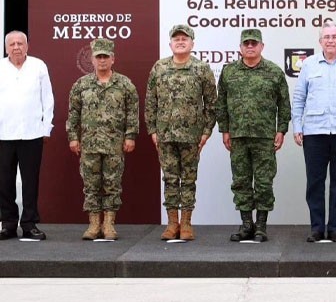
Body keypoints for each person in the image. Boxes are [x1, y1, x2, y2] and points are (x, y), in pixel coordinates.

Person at [292, 21, 336, 243]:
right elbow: (299, 98)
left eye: (335, 36)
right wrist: (297, 126)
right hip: (314, 132)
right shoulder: (309, 65)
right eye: (327, 37)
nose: (331, 40)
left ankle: (334, 228)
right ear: (320, 41)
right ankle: (316, 228)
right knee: (315, 182)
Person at [145, 24, 217, 241]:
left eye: (185, 38)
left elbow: (211, 104)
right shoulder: (159, 67)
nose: (180, 41)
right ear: (170, 43)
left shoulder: (201, 68)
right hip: (165, 135)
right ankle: (172, 223)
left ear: (192, 43)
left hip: (192, 136)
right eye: (176, 39)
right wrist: (152, 130)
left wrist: (206, 131)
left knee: (188, 180)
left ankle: (186, 223)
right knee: (169, 179)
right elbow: (151, 101)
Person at [217, 28, 290, 243]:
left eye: (254, 43)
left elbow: (284, 104)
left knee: (264, 182)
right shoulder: (229, 71)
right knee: (241, 181)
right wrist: (225, 129)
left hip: (264, 136)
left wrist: (281, 129)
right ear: (240, 47)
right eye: (246, 43)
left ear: (261, 46)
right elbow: (221, 102)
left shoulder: (274, 72)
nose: (250, 46)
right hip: (238, 136)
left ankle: (261, 225)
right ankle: (246, 224)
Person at [67, 39, 138, 240]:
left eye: (106, 56)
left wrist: (130, 135)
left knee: (112, 184)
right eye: (99, 57)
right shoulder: (81, 85)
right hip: (89, 144)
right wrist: (73, 137)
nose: (102, 60)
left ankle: (109, 225)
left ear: (113, 59)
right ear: (92, 59)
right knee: (91, 184)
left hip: (114, 144)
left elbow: (132, 112)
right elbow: (73, 113)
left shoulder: (124, 84)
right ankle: (93, 224)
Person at [0, 31, 54, 241]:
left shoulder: (38, 66)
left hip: (32, 133)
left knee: (30, 181)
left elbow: (47, 98)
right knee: (4, 182)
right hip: (3, 134)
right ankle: (8, 224)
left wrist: (46, 127)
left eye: (20, 43)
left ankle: (30, 224)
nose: (16, 47)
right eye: (12, 44)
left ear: (27, 46)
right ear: (6, 48)